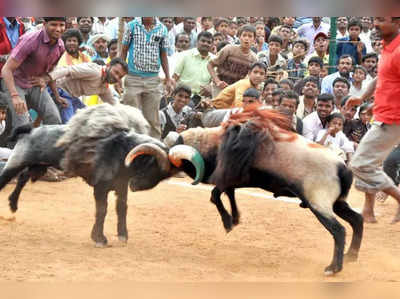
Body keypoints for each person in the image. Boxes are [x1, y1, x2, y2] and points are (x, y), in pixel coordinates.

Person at [347, 17, 400, 224]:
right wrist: (364, 98)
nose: (375, 24)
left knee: (360, 164)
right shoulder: (389, 45)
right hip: (384, 114)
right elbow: (382, 77)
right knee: (371, 162)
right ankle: (368, 211)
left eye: (381, 20)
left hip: (393, 119)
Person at [1, 17, 66, 130]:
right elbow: (6, 70)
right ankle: (17, 147)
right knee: (23, 125)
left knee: (54, 118)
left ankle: (46, 147)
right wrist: (15, 96)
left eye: (61, 25)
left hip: (34, 83)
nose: (58, 29)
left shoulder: (60, 46)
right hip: (15, 83)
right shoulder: (30, 40)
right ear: (44, 24)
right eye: (54, 25)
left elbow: (50, 72)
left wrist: (56, 95)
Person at [120, 17, 173, 139]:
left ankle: (154, 149)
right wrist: (120, 76)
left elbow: (163, 54)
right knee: (132, 116)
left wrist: (168, 78)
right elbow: (123, 51)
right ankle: (131, 146)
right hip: (133, 77)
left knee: (152, 119)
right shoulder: (132, 26)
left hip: (153, 80)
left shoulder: (162, 29)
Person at [207, 25, 257, 97]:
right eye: (244, 35)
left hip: (236, 91)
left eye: (250, 36)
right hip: (220, 88)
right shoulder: (229, 49)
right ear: (239, 37)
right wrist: (217, 81)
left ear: (254, 40)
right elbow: (210, 65)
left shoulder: (254, 58)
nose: (247, 38)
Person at [173, 31, 214, 99]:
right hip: (183, 97)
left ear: (212, 45)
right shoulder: (185, 55)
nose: (205, 44)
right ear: (197, 42)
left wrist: (210, 87)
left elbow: (214, 81)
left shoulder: (214, 60)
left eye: (209, 42)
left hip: (203, 99)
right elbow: (175, 77)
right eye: (203, 41)